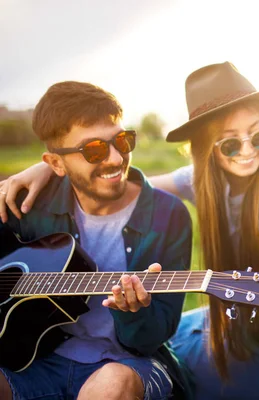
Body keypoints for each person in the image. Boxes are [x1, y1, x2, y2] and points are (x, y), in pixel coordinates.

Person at [0, 62, 259, 400]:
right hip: (42, 357)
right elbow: (126, 184)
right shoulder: (208, 177)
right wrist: (49, 171)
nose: (248, 151)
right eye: (92, 150)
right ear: (207, 148)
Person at [0, 81, 192, 400]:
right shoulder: (31, 204)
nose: (116, 158)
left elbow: (152, 338)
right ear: (56, 164)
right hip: (38, 360)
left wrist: (133, 312)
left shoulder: (167, 215)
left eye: (121, 140)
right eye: (94, 150)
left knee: (112, 385)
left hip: (132, 363)